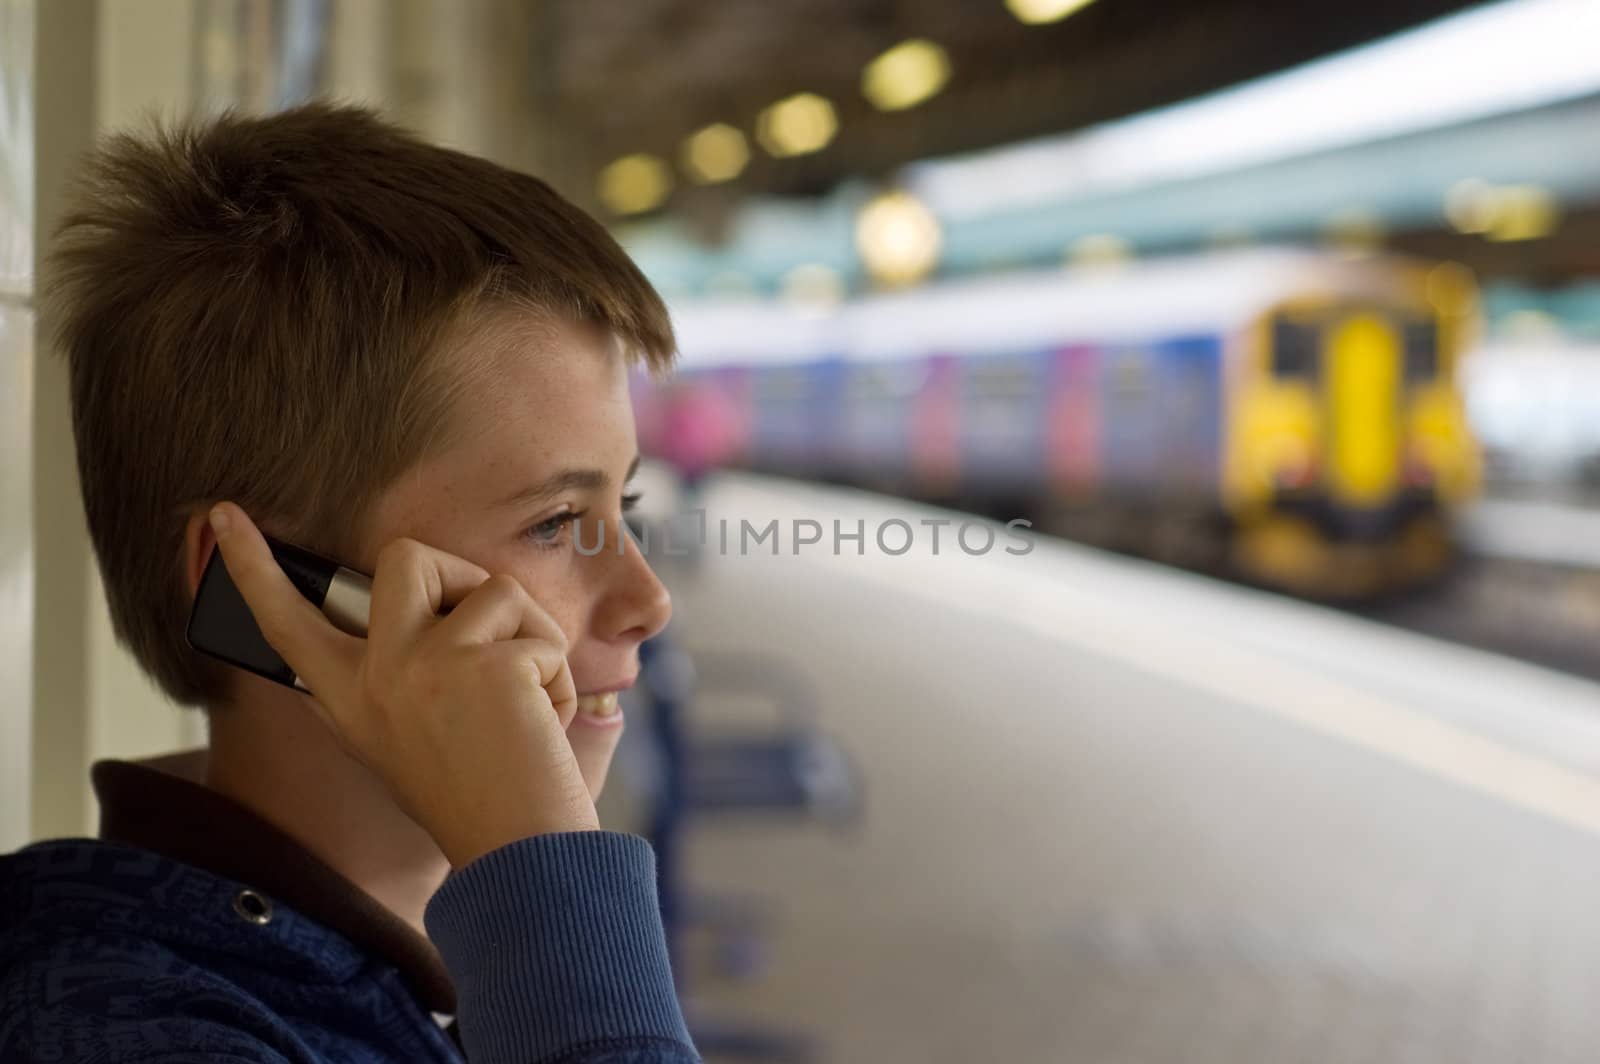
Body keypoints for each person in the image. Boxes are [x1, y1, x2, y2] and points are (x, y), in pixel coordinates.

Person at [0, 102, 701, 1063]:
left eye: (623, 502)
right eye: (552, 523)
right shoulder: (119, 1029)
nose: (647, 600)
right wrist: (543, 878)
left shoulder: (397, 983)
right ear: (264, 597)